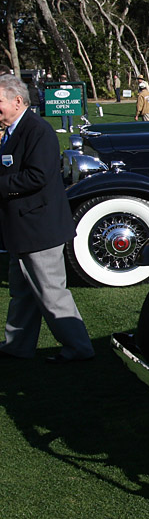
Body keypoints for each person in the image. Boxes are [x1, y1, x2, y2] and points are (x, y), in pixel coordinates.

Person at [0, 75, 94, 362]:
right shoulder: (11, 131)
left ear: (18, 101)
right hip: (21, 228)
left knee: (51, 293)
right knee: (23, 293)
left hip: (38, 228)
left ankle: (79, 349)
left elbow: (37, 176)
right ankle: (17, 345)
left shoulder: (37, 130)